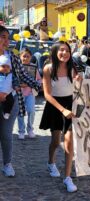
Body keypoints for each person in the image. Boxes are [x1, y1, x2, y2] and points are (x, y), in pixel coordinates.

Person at [0, 25, 41, 177]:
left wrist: (37, 84)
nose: (6, 40)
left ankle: (7, 164)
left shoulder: (13, 57)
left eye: (7, 37)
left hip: (10, 101)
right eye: (3, 37)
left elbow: (23, 75)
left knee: (6, 134)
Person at [39, 41, 79, 192]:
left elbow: (77, 87)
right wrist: (62, 110)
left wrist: (79, 81)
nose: (65, 53)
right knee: (56, 141)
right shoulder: (48, 69)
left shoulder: (72, 67)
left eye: (67, 50)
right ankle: (51, 162)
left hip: (70, 105)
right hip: (55, 106)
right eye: (61, 50)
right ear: (55, 52)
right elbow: (47, 95)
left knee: (69, 141)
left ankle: (67, 178)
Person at [17, 48, 42, 140]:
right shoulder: (17, 67)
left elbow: (39, 79)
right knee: (20, 112)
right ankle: (21, 131)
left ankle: (30, 129)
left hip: (30, 93)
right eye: (24, 56)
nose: (26, 58)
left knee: (31, 111)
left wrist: (34, 83)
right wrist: (19, 84)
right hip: (19, 93)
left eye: (28, 56)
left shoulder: (33, 67)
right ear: (20, 57)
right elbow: (13, 79)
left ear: (31, 57)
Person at [0, 55, 14, 120]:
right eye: (3, 66)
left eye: (8, 67)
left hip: (8, 93)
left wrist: (16, 86)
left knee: (11, 101)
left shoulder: (11, 75)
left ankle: (7, 112)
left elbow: (15, 82)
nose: (5, 68)